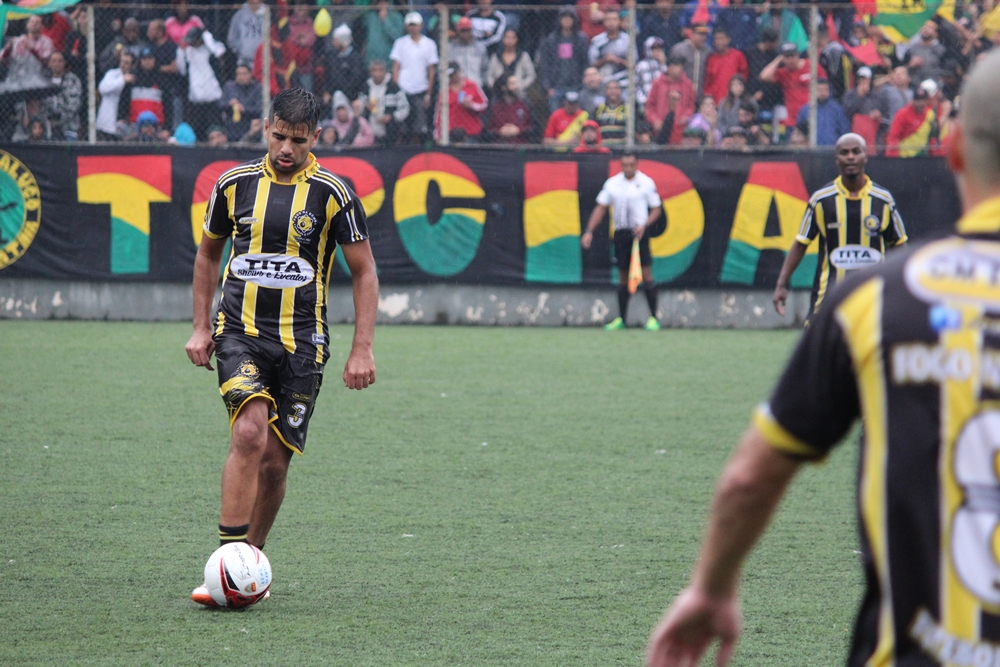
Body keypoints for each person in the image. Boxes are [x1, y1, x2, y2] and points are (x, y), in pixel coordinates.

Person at [646, 50, 1000, 667]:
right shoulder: (825, 211)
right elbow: (803, 245)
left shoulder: (882, 295)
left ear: (951, 150)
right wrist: (787, 283)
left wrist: (710, 587)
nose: (852, 159)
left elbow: (750, 478)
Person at [186, 87, 378, 608]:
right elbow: (207, 257)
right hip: (239, 332)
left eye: (298, 140)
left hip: (302, 343)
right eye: (278, 137)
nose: (286, 148)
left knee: (274, 461)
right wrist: (201, 327)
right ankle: (225, 566)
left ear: (315, 137)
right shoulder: (233, 184)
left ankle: (250, 566)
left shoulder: (333, 194)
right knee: (249, 431)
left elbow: (364, 272)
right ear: (265, 129)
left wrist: (362, 349)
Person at [771, 133, 907, 318]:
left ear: (865, 156)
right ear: (837, 159)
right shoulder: (821, 200)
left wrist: (906, 286)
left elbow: (899, 246)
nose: (850, 157)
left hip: (872, 299)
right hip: (829, 298)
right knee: (817, 338)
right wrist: (781, 284)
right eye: (844, 152)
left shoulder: (883, 200)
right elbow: (801, 243)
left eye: (856, 152)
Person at [581, 153, 662, 331]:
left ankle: (654, 319)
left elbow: (656, 209)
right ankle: (622, 319)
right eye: (625, 165)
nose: (628, 168)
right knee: (623, 275)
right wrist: (589, 231)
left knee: (646, 273)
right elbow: (601, 208)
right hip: (621, 234)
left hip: (639, 233)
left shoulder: (646, 182)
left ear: (637, 164)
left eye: (631, 165)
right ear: (621, 165)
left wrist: (644, 225)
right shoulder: (612, 183)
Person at [389, 12, 439, 143]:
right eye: (410, 25)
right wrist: (397, 89)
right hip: (404, 88)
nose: (413, 28)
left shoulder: (429, 44)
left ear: (421, 25)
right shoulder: (400, 43)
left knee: (420, 125)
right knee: (402, 125)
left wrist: (428, 94)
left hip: (421, 88)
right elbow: (396, 67)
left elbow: (431, 70)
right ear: (406, 26)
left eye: (415, 25)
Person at [760, 42, 827, 135]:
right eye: (787, 57)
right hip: (793, 120)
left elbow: (824, 84)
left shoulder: (811, 65)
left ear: (798, 55)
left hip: (812, 116)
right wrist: (778, 59)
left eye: (792, 56)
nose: (790, 60)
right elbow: (764, 76)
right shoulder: (783, 73)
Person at [176, 27, 226, 141]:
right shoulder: (188, 52)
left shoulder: (210, 50)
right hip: (196, 99)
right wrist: (180, 51)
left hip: (213, 98)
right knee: (197, 131)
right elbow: (182, 69)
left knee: (215, 129)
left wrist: (207, 37)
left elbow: (219, 52)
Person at [538, 7, 590, 113]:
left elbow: (585, 63)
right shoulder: (551, 40)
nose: (567, 20)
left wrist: (583, 85)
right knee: (556, 114)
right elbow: (545, 64)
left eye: (570, 18)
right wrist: (547, 87)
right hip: (556, 86)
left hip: (576, 86)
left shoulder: (581, 39)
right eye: (564, 18)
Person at [645, 54, 695, 144]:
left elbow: (691, 105)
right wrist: (655, 120)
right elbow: (649, 107)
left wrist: (686, 116)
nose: (679, 69)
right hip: (661, 130)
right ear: (669, 68)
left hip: (680, 130)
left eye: (681, 66)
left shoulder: (688, 84)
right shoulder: (657, 84)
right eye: (676, 66)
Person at [358, 59, 410, 146]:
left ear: (385, 71)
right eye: (374, 70)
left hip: (391, 131)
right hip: (370, 131)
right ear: (370, 72)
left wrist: (392, 117)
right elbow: (358, 106)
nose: (377, 73)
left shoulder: (393, 87)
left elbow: (405, 107)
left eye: (380, 70)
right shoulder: (366, 87)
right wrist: (365, 107)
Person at [435, 61, 488, 143]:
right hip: (451, 134)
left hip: (470, 132)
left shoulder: (471, 85)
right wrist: (438, 135)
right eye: (450, 75)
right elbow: (438, 114)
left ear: (460, 72)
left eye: (454, 74)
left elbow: (484, 104)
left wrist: (472, 105)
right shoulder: (444, 91)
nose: (452, 77)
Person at [0, 15, 54, 94]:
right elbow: (2, 60)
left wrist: (32, 49)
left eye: (37, 22)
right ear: (27, 25)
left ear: (42, 26)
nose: (34, 24)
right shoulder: (18, 41)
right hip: (16, 81)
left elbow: (46, 60)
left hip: (37, 80)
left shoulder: (46, 42)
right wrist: (8, 50)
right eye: (32, 22)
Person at [885, 85, 938, 157]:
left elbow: (932, 138)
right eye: (918, 100)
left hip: (923, 158)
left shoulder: (930, 114)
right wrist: (893, 158)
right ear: (913, 101)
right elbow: (893, 136)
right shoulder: (902, 114)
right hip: (905, 158)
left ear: (927, 101)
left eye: (923, 100)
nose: (921, 103)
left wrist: (934, 156)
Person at [794, 79, 850, 147]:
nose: (822, 93)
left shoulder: (837, 109)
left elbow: (844, 130)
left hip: (832, 148)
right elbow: (799, 132)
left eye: (825, 89)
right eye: (819, 90)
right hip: (811, 149)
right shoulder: (805, 110)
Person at [703, 27, 748, 105]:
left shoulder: (737, 56)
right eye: (716, 39)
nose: (719, 42)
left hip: (734, 101)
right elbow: (708, 81)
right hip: (715, 102)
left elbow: (744, 76)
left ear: (728, 39)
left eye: (721, 38)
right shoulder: (711, 59)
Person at [43, 50, 82, 141]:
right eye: (54, 61)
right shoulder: (44, 80)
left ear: (64, 63)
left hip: (69, 127)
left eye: (60, 61)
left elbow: (74, 104)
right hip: (47, 127)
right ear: (49, 64)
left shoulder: (73, 80)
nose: (57, 64)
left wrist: (58, 120)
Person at [486, 29, 536, 96]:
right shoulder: (496, 56)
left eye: (513, 37)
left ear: (517, 39)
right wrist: (495, 86)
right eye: (507, 37)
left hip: (519, 95)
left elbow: (531, 75)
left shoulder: (523, 56)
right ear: (503, 39)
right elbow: (489, 75)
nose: (510, 40)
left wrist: (520, 86)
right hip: (499, 94)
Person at [589, 11, 633, 87]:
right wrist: (604, 60)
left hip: (624, 81)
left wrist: (617, 60)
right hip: (602, 82)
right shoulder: (597, 40)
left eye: (614, 19)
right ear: (604, 22)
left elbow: (633, 64)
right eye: (608, 20)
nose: (611, 23)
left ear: (619, 22)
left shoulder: (627, 39)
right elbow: (592, 64)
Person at [220, 64, 263, 141]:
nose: (241, 77)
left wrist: (244, 109)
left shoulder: (257, 88)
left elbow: (259, 109)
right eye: (238, 74)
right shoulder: (229, 87)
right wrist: (229, 104)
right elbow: (221, 105)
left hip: (250, 126)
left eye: (244, 74)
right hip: (232, 128)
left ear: (250, 74)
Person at [486, 75, 532, 144]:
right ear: (504, 88)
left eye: (516, 83)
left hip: (520, 146)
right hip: (498, 146)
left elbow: (534, 128)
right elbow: (486, 130)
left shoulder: (525, 105)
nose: (516, 86)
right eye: (512, 84)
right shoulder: (495, 106)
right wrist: (499, 131)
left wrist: (519, 130)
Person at [358, 0, 403, 68]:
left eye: (384, 2)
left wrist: (385, 20)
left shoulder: (396, 17)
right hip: (371, 57)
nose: (381, 5)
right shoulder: (370, 17)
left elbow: (398, 37)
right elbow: (361, 29)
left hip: (388, 58)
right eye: (379, 2)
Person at [669, 23, 710, 97]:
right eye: (700, 34)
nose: (702, 37)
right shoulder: (679, 49)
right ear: (692, 34)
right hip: (682, 94)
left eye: (704, 35)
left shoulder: (707, 51)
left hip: (700, 95)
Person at [449, 17, 488, 88]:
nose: (465, 33)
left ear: (471, 30)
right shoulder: (451, 48)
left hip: (476, 86)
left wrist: (482, 82)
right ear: (458, 31)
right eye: (463, 31)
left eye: (467, 30)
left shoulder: (480, 47)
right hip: (457, 87)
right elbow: (444, 70)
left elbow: (484, 69)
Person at [227, 0, 266, 68]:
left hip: (264, 60)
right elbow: (232, 38)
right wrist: (242, 50)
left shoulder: (268, 14)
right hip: (244, 61)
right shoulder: (240, 15)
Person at [594, 79, 627, 145]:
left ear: (620, 91)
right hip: (603, 147)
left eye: (616, 88)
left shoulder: (627, 108)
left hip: (622, 147)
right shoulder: (599, 108)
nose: (613, 91)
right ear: (605, 91)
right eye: (610, 88)